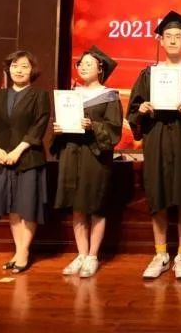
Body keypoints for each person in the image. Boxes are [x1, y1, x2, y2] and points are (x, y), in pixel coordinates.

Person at [127, 10, 181, 279]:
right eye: (169, 36)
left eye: (179, 36)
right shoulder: (149, 74)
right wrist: (142, 109)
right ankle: (160, 254)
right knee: (158, 197)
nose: (174, 40)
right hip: (157, 139)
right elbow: (133, 110)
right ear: (161, 41)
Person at [52, 46, 123, 278]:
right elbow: (60, 127)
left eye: (89, 64)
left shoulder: (109, 96)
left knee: (95, 206)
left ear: (100, 69)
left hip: (95, 156)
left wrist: (94, 126)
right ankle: (81, 254)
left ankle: (93, 256)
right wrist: (58, 130)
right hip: (71, 153)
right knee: (77, 206)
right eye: (80, 64)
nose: (83, 67)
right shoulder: (70, 95)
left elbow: (114, 129)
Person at [0, 50, 50, 273]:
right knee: (12, 206)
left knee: (27, 206)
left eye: (24, 66)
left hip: (28, 157)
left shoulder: (39, 95)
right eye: (14, 66)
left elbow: (38, 126)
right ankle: (19, 251)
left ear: (32, 71)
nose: (18, 70)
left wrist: (18, 150)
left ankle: (23, 252)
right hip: (1, 158)